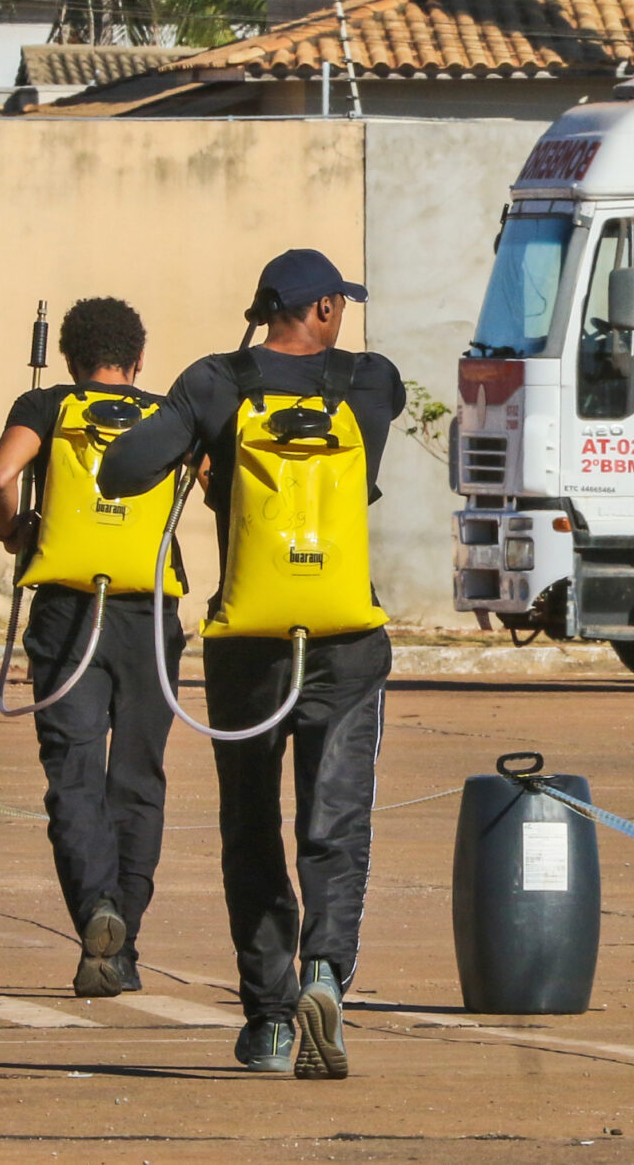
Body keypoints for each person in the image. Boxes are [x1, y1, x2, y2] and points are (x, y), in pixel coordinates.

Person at [98, 249, 402, 1080]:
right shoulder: (372, 380)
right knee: (336, 818)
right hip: (346, 638)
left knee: (250, 823)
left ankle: (269, 1019)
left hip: (249, 646)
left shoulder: (215, 381)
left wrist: (202, 445)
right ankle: (326, 972)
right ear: (328, 308)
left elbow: (121, 469)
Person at [0, 296, 187, 999]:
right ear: (137, 359)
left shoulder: (46, 405)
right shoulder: (169, 414)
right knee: (138, 777)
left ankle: (97, 910)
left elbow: (0, 473)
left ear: (69, 359)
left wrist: (15, 529)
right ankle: (121, 934)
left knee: (72, 775)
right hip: (149, 612)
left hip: (67, 610)